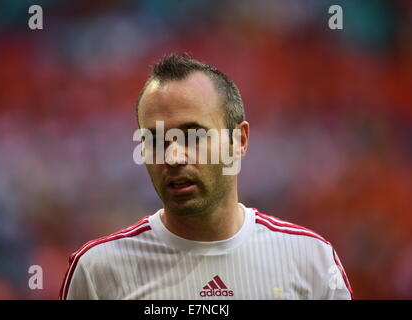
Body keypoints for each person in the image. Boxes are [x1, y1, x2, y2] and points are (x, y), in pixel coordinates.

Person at [59, 53, 353, 300]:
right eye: (157, 140)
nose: (174, 157)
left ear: (239, 140)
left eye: (193, 136)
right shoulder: (97, 271)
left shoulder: (311, 260)